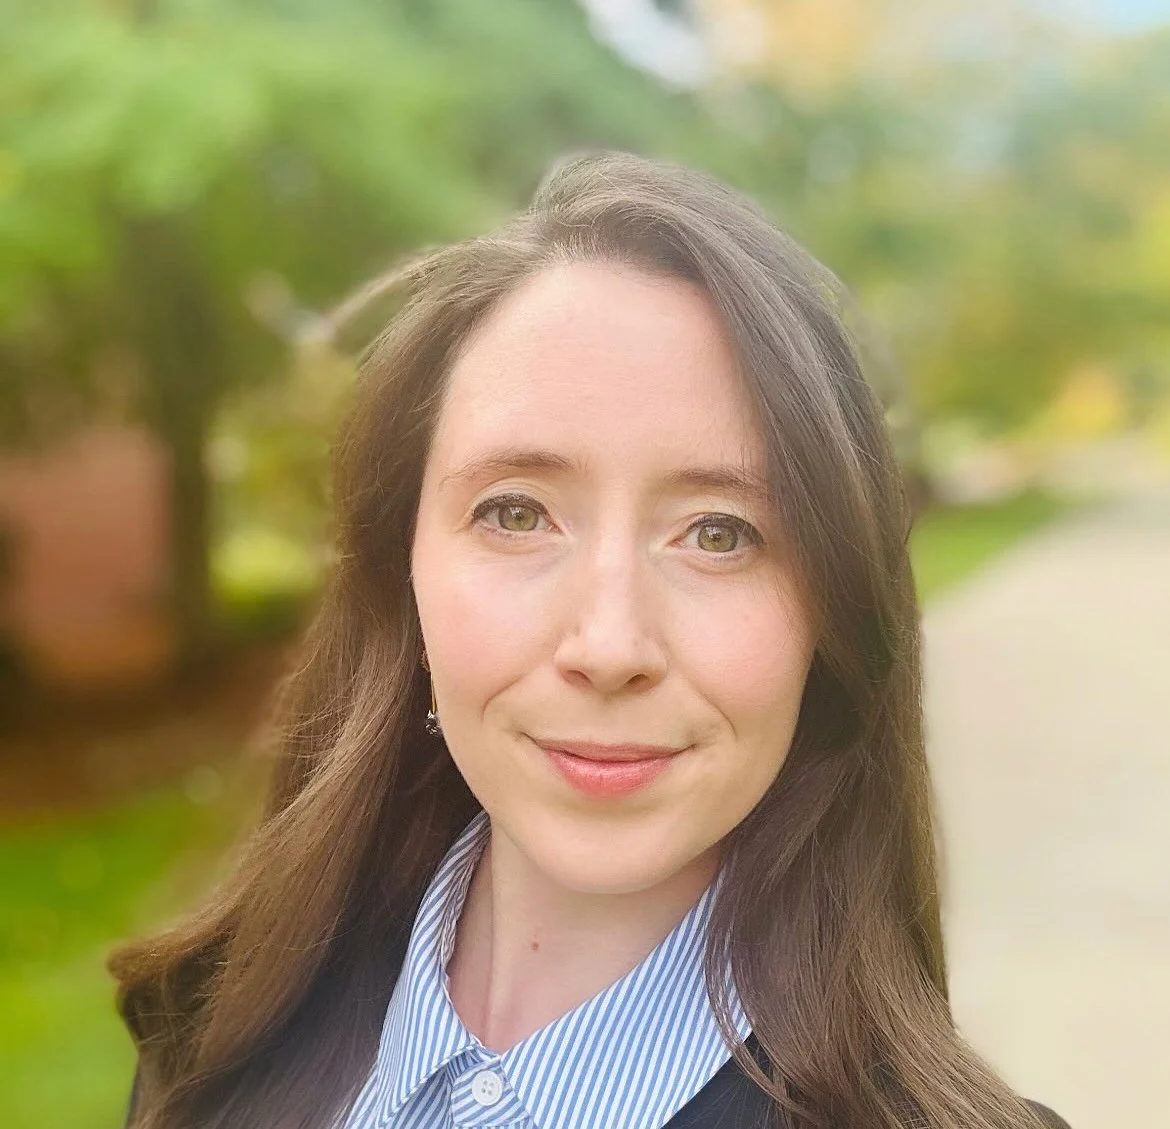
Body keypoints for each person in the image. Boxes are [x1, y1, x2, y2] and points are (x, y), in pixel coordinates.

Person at [110, 152, 1071, 1129]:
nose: (610, 645)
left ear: (832, 616)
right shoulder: (205, 1040)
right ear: (402, 577)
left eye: (720, 533)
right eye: (518, 512)